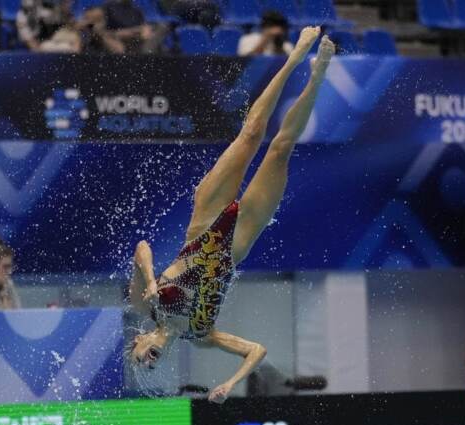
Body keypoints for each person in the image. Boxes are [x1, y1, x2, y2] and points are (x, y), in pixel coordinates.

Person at [128, 28, 334, 403]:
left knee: (252, 134)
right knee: (280, 150)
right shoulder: (201, 337)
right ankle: (318, 77)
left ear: (138, 342)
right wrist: (231, 383)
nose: (149, 363)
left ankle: (294, 58)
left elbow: (141, 247)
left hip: (202, 224)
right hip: (236, 245)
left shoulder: (146, 305)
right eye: (152, 368)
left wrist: (150, 278)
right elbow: (257, 350)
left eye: (141, 362)